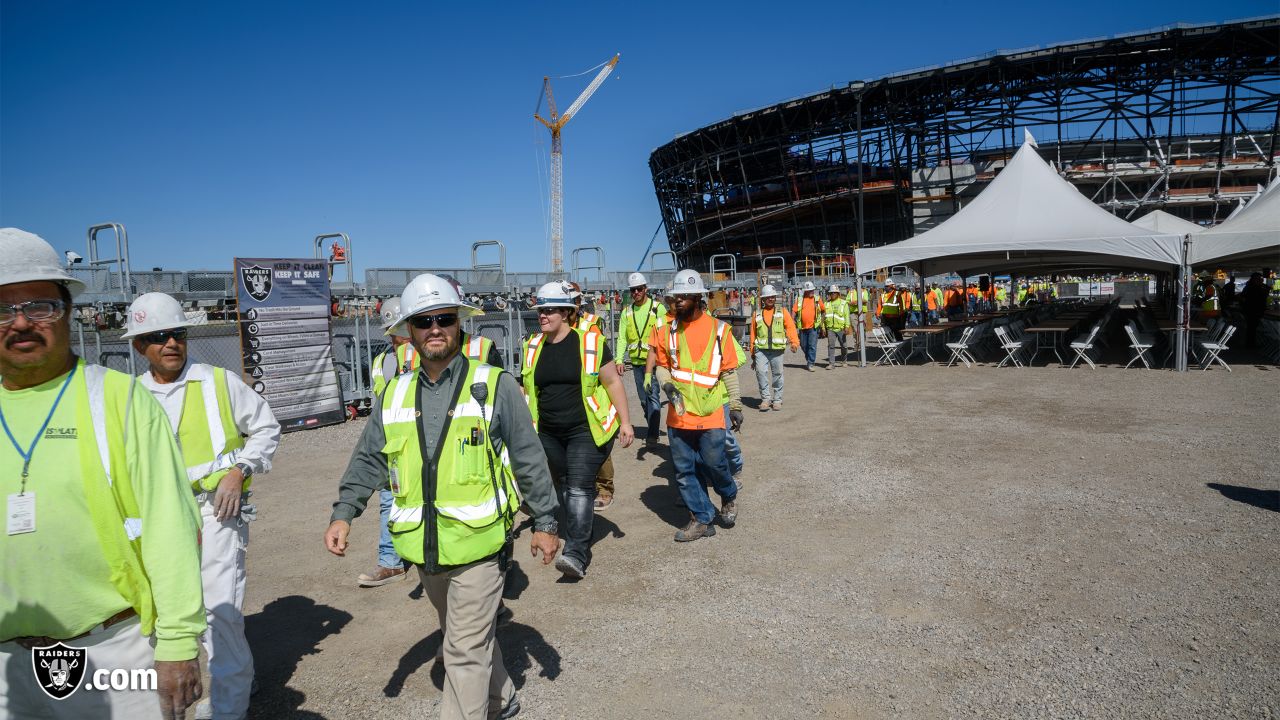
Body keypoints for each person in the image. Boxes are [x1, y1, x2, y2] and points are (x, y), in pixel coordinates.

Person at [325, 273, 560, 720]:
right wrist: (344, 513)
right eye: (424, 321)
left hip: (480, 547)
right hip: (424, 548)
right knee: (461, 635)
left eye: (444, 318)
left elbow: (529, 458)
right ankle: (502, 696)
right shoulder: (394, 393)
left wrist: (546, 522)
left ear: (460, 324)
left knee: (462, 651)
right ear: (408, 332)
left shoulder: (496, 385)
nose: (435, 328)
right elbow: (368, 460)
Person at [0, 228, 205, 719]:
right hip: (6, 665)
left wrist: (178, 642)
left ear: (69, 311)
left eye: (41, 306)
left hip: (112, 651)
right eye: (3, 309)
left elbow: (169, 528)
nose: (21, 322)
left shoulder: (119, 401)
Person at [125, 292, 281, 720]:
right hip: (152, 521)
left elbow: (266, 428)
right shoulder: (129, 397)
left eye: (177, 333)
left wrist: (240, 471)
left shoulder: (218, 382)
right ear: (140, 346)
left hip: (215, 511)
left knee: (219, 612)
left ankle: (229, 709)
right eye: (158, 336)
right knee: (157, 613)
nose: (171, 343)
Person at [521, 282, 634, 578]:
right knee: (564, 485)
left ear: (567, 313)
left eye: (549, 310)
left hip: (585, 429)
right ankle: (574, 526)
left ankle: (576, 553)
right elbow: (526, 389)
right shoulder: (531, 346)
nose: (542, 316)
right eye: (540, 310)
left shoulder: (591, 343)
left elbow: (612, 382)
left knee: (579, 487)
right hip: (547, 432)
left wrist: (625, 422)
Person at [652, 269, 745, 542]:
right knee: (684, 471)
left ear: (697, 298)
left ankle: (728, 495)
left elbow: (728, 371)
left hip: (711, 412)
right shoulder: (665, 332)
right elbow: (662, 367)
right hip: (680, 416)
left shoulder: (719, 330)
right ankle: (701, 518)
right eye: (674, 298)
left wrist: (736, 405)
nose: (676, 302)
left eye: (682, 298)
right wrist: (666, 384)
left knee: (715, 465)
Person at [362, 298, 422, 587]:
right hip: (394, 446)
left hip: (424, 441)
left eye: (396, 330)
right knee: (389, 498)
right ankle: (390, 561)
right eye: (391, 332)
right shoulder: (382, 362)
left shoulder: (429, 356)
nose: (394, 338)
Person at [616, 272, 665, 449]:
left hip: (653, 362)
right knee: (644, 400)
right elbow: (622, 338)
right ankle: (653, 425)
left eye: (639, 289)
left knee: (653, 396)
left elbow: (665, 334)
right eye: (633, 290)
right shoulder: (627, 312)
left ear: (646, 289)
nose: (636, 292)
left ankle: (653, 433)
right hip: (636, 362)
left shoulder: (658, 308)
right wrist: (619, 359)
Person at [748, 284, 799, 411]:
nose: (771, 299)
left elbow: (790, 327)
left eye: (772, 297)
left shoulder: (783, 312)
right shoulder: (757, 314)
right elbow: (753, 334)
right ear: (763, 300)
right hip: (761, 350)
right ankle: (765, 399)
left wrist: (794, 342)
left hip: (777, 350)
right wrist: (752, 352)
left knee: (778, 374)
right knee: (760, 373)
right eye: (768, 297)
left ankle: (777, 400)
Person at [791, 281, 824, 371]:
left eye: (812, 290)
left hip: (814, 327)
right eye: (810, 290)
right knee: (803, 345)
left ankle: (810, 363)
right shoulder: (800, 299)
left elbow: (823, 310)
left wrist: (821, 322)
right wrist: (792, 319)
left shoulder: (817, 299)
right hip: (802, 327)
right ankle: (809, 358)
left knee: (812, 345)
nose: (812, 292)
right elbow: (794, 310)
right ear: (805, 291)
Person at [822, 284, 851, 368]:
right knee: (831, 346)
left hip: (841, 328)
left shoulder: (843, 303)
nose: (833, 294)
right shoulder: (826, 304)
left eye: (835, 293)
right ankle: (831, 363)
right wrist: (823, 328)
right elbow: (823, 317)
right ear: (829, 294)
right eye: (832, 293)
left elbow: (846, 315)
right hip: (830, 329)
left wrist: (847, 326)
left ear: (838, 294)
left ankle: (844, 361)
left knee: (844, 346)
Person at [1239, 272, 1269, 348]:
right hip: (1254, 311)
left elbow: (1242, 297)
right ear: (1255, 279)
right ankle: (1251, 345)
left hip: (1250, 310)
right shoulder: (1255, 287)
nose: (1260, 280)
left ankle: (1250, 344)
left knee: (1251, 329)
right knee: (1252, 329)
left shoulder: (1248, 286)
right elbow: (1262, 298)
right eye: (1259, 278)